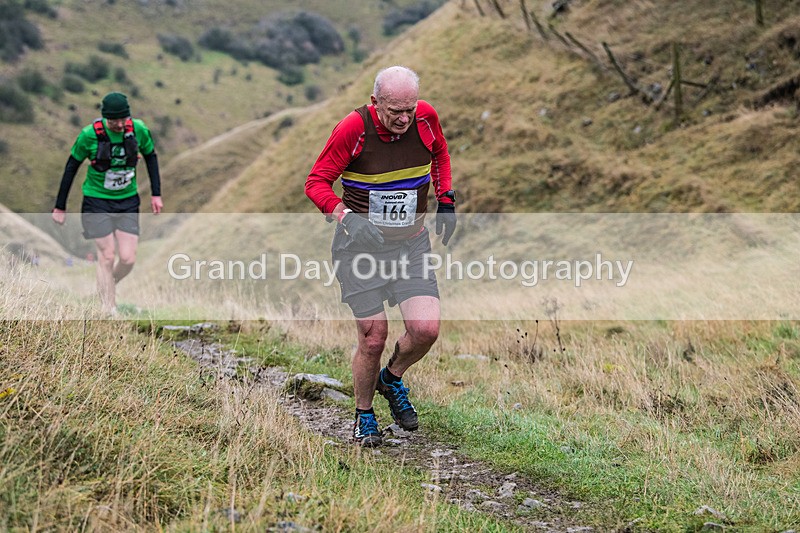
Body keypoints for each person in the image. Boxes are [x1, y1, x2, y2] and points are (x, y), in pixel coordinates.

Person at [305, 66, 457, 447]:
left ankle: (390, 379)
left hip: (411, 245)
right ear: (376, 103)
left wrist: (446, 198)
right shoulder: (353, 130)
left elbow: (440, 153)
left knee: (426, 330)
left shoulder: (425, 118)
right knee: (373, 337)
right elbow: (316, 182)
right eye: (395, 112)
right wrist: (347, 218)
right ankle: (364, 415)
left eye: (409, 110)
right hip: (360, 250)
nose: (404, 119)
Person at [52, 92, 163, 315]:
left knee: (128, 259)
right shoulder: (89, 135)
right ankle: (108, 308)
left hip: (127, 201)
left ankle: (106, 286)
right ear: (105, 118)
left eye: (123, 119)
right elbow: (71, 167)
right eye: (114, 121)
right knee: (107, 255)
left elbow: (151, 156)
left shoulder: (138, 130)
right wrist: (60, 206)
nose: (119, 125)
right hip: (97, 201)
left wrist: (156, 194)